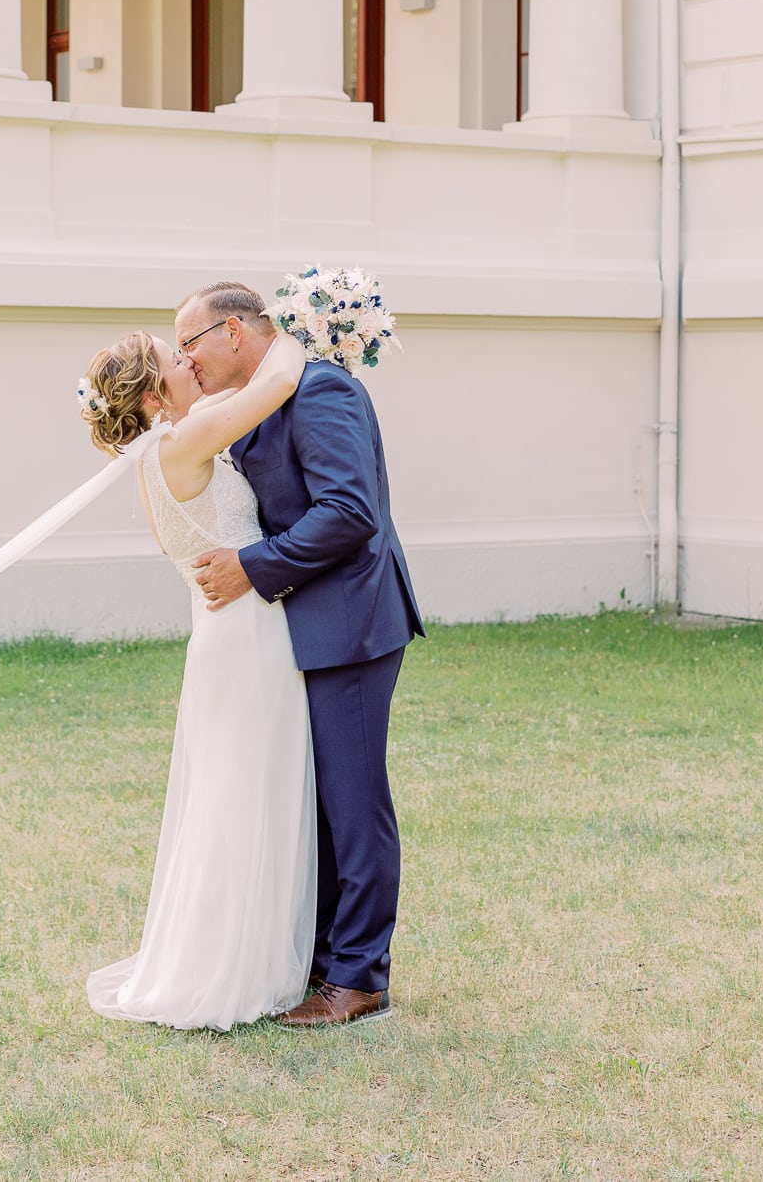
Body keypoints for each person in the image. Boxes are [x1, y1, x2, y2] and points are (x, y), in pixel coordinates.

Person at [175, 281, 423, 1030]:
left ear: (234, 332)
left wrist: (256, 564)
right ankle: (318, 960)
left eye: (191, 345)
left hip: (349, 624)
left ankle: (359, 977)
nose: (187, 361)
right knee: (314, 806)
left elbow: (350, 511)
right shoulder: (253, 402)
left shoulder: (321, 391)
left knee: (352, 804)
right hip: (297, 633)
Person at [79, 320, 315, 1031]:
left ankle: (246, 954)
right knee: (246, 793)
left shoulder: (164, 449)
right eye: (172, 359)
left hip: (225, 638)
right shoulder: (180, 442)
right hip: (246, 637)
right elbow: (275, 381)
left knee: (237, 791)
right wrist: (304, 325)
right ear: (154, 395)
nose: (187, 361)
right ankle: (232, 969)